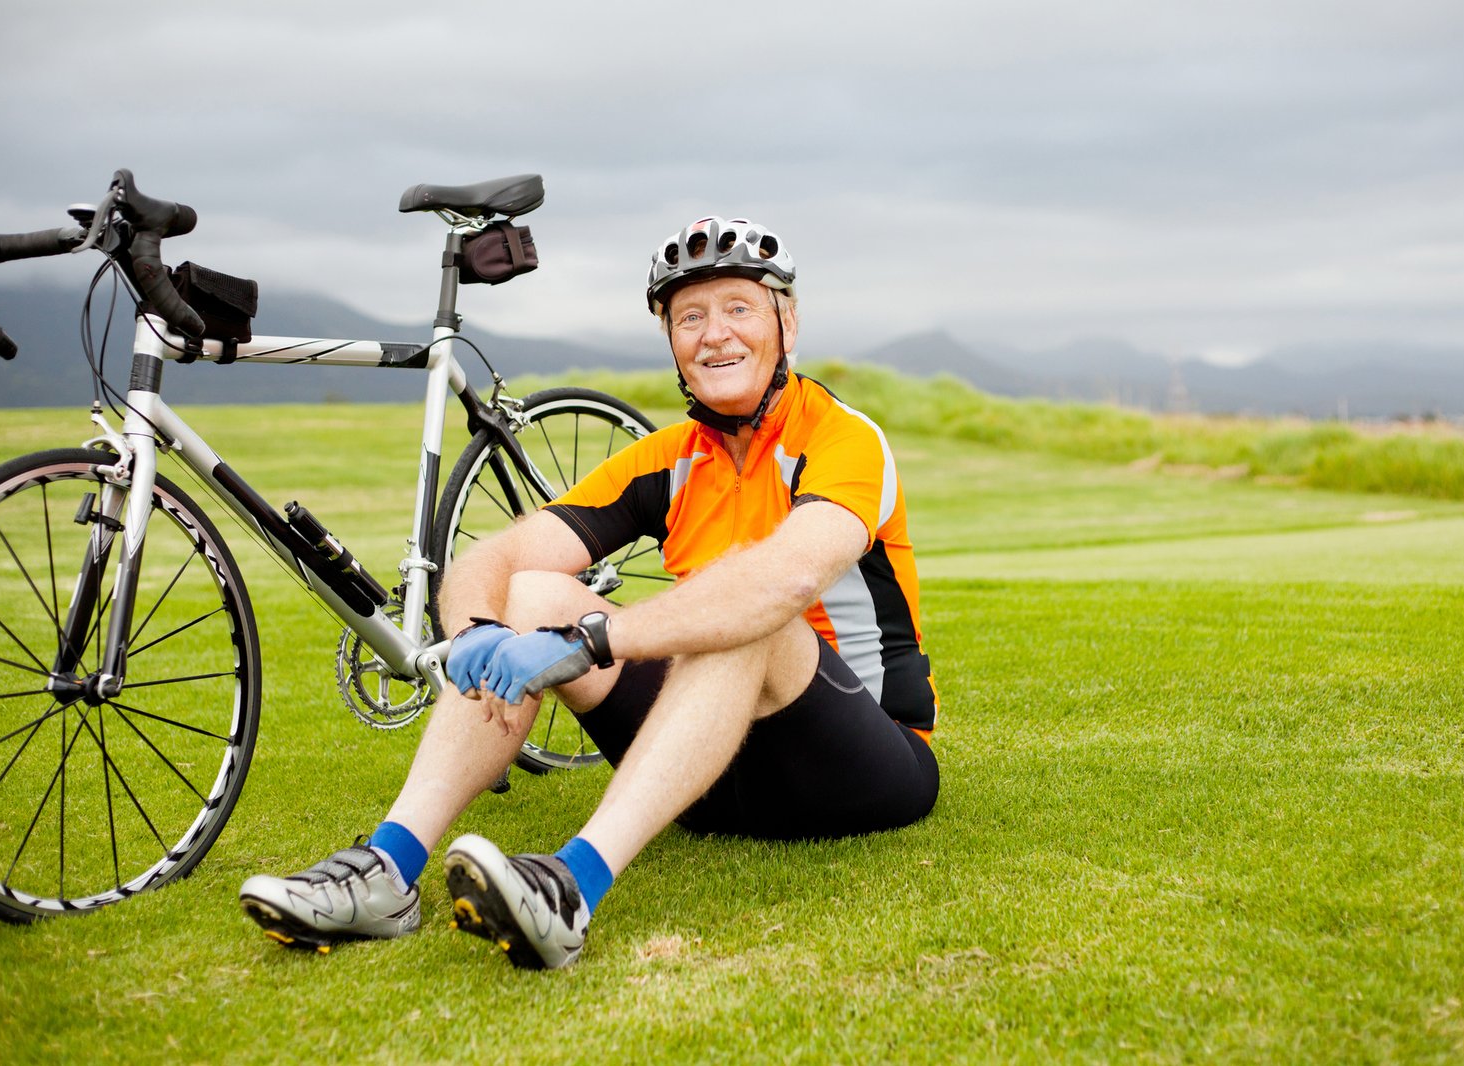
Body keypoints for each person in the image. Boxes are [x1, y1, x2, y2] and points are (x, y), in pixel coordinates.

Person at [239, 216, 940, 968]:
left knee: (742, 615)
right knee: (534, 591)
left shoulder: (844, 438)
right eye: (690, 317)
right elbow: (502, 556)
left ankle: (570, 887)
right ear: (671, 340)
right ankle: (388, 868)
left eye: (738, 307)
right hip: (714, 776)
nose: (715, 335)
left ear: (786, 320)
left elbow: (785, 580)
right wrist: (476, 628)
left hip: (864, 764)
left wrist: (595, 640)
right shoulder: (670, 460)